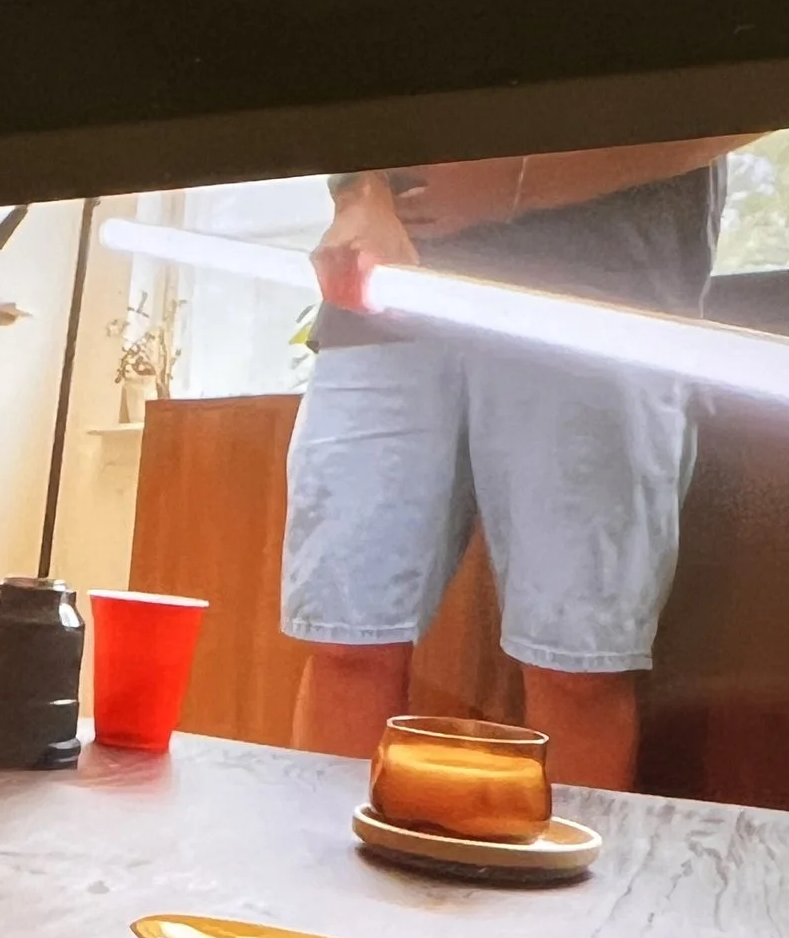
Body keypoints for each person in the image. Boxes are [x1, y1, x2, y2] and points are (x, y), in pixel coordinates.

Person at [283, 138, 756, 788]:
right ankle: (322, 886)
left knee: (575, 665)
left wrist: (518, 181)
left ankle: (565, 888)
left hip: (599, 289)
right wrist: (360, 190)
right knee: (345, 640)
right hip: (388, 281)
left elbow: (750, 91)